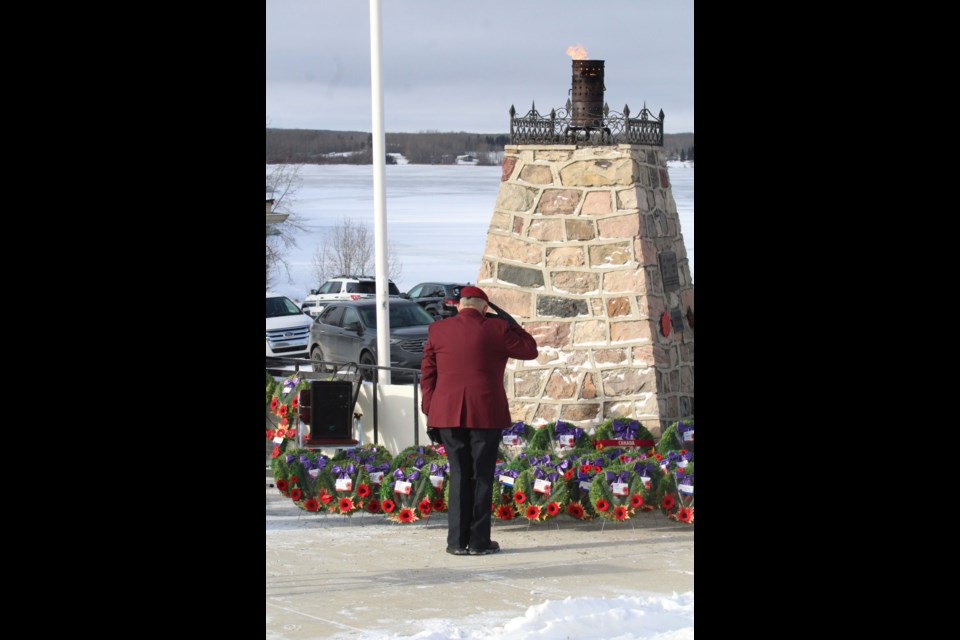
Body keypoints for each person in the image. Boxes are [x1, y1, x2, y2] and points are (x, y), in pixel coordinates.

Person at [420, 285, 538, 556]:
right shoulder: (497, 329)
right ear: (485, 308)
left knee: (459, 474)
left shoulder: (438, 330)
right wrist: (509, 321)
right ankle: (478, 542)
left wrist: (431, 412)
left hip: (446, 414)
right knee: (482, 476)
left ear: (459, 305)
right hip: (486, 413)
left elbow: (427, 376)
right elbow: (530, 349)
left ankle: (455, 542)